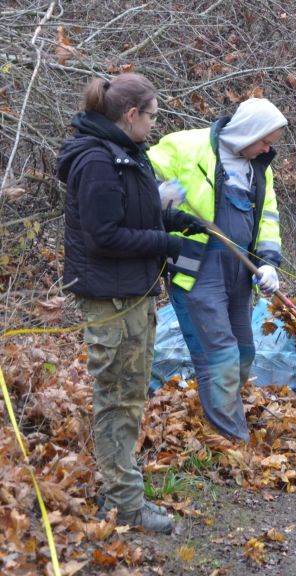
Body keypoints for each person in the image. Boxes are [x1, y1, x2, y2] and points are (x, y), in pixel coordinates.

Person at [58, 73, 205, 533]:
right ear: (130, 115)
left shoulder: (127, 154)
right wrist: (165, 243)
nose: (154, 125)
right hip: (112, 302)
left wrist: (174, 218)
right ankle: (125, 505)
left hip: (135, 295)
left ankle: (118, 490)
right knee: (117, 401)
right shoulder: (97, 161)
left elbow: (131, 213)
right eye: (152, 116)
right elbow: (104, 237)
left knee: (130, 398)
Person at [148, 98, 288, 443]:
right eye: (264, 141)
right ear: (248, 132)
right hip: (196, 267)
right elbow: (136, 181)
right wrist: (159, 194)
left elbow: (268, 218)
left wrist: (269, 263)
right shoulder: (185, 145)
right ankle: (230, 441)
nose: (267, 149)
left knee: (243, 354)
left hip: (240, 271)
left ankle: (220, 415)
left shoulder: (260, 168)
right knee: (220, 357)